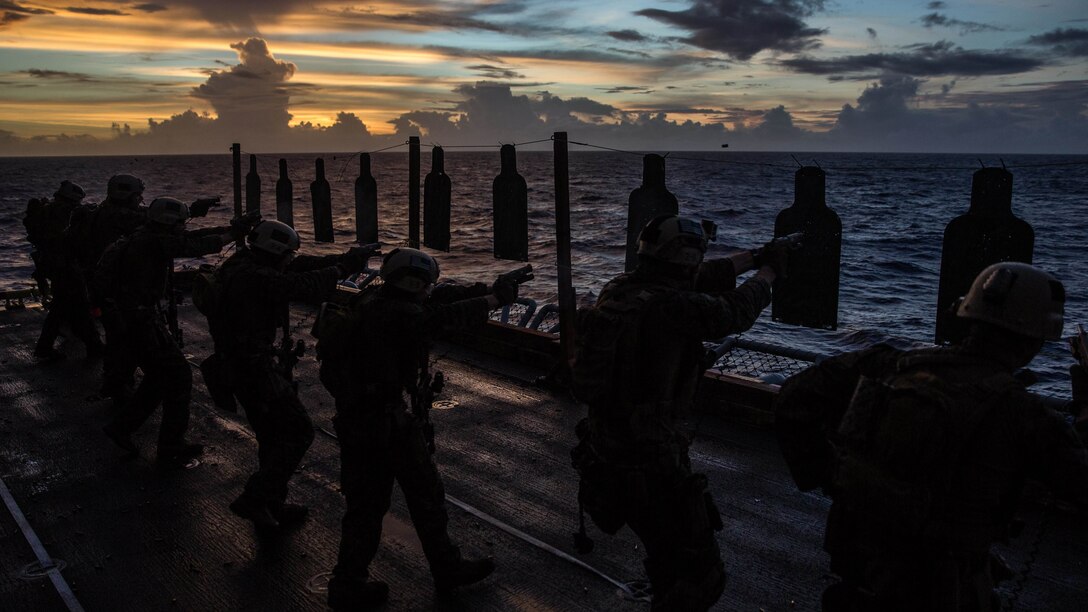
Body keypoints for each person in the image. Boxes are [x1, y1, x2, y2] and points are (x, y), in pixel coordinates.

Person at [774, 262, 1088, 612]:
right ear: (1035, 340)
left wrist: (835, 477)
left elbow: (793, 399)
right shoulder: (1025, 415)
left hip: (863, 571)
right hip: (944, 589)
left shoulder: (890, 365)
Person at [569, 215, 787, 611]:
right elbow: (731, 312)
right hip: (652, 463)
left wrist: (756, 257)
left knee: (665, 559)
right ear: (687, 258)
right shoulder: (673, 306)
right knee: (701, 575)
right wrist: (770, 273)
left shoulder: (620, 289)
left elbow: (701, 276)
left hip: (608, 449)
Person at [321, 247, 521, 609]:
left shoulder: (374, 301)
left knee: (366, 506)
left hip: (361, 419)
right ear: (415, 284)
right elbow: (438, 317)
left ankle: (349, 580)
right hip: (385, 424)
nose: (429, 290)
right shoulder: (401, 314)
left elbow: (439, 301)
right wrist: (492, 299)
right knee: (423, 496)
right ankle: (443, 568)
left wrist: (486, 289)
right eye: (425, 284)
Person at [204, 220, 377, 533]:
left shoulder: (242, 263)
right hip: (253, 370)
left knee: (272, 436)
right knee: (298, 432)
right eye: (286, 255)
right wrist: (341, 270)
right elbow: (300, 284)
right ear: (274, 254)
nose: (289, 260)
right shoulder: (256, 278)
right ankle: (255, 498)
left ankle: (271, 503)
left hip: (239, 364)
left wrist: (345, 258)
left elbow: (298, 266)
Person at [99, 197, 242, 467]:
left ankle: (124, 427)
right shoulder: (155, 241)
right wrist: (232, 235)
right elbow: (192, 245)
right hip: (140, 321)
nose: (182, 227)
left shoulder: (146, 235)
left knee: (159, 378)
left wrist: (226, 229)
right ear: (169, 223)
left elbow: (190, 236)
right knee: (177, 375)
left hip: (133, 318)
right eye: (179, 223)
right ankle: (169, 446)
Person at [26, 180, 103, 361]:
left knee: (61, 308)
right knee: (79, 307)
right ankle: (94, 346)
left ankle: (46, 347)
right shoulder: (63, 212)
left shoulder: (48, 210)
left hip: (54, 265)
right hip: (65, 266)